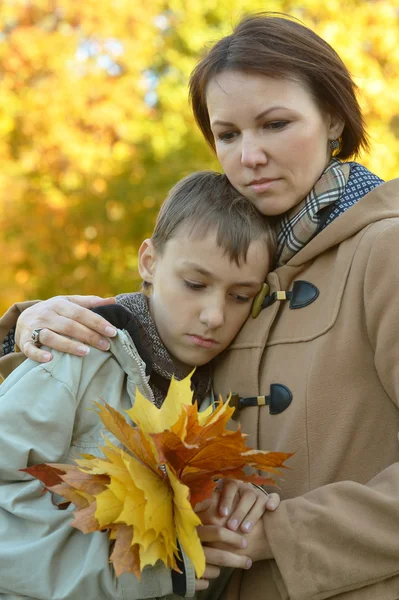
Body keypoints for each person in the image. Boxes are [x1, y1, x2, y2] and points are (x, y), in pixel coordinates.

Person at [2, 10, 399, 600]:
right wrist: (27, 323)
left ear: (335, 118)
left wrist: (280, 532)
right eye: (228, 134)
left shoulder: (384, 248)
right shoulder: (246, 270)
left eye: (275, 124)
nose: (249, 157)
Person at [0, 170, 279, 600]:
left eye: (240, 296)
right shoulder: (74, 356)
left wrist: (230, 499)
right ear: (149, 261)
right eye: (195, 284)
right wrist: (139, 569)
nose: (214, 315)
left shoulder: (213, 394)